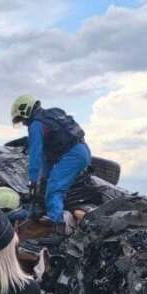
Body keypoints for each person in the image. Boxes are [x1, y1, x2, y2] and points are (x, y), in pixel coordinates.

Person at [10, 94, 91, 233]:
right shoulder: (51, 116)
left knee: (54, 189)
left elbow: (35, 155)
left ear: (26, 110)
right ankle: (47, 212)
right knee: (48, 183)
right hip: (81, 150)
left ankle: (58, 229)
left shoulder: (36, 125)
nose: (23, 123)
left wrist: (32, 181)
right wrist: (41, 184)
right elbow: (47, 159)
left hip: (72, 154)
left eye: (22, 119)